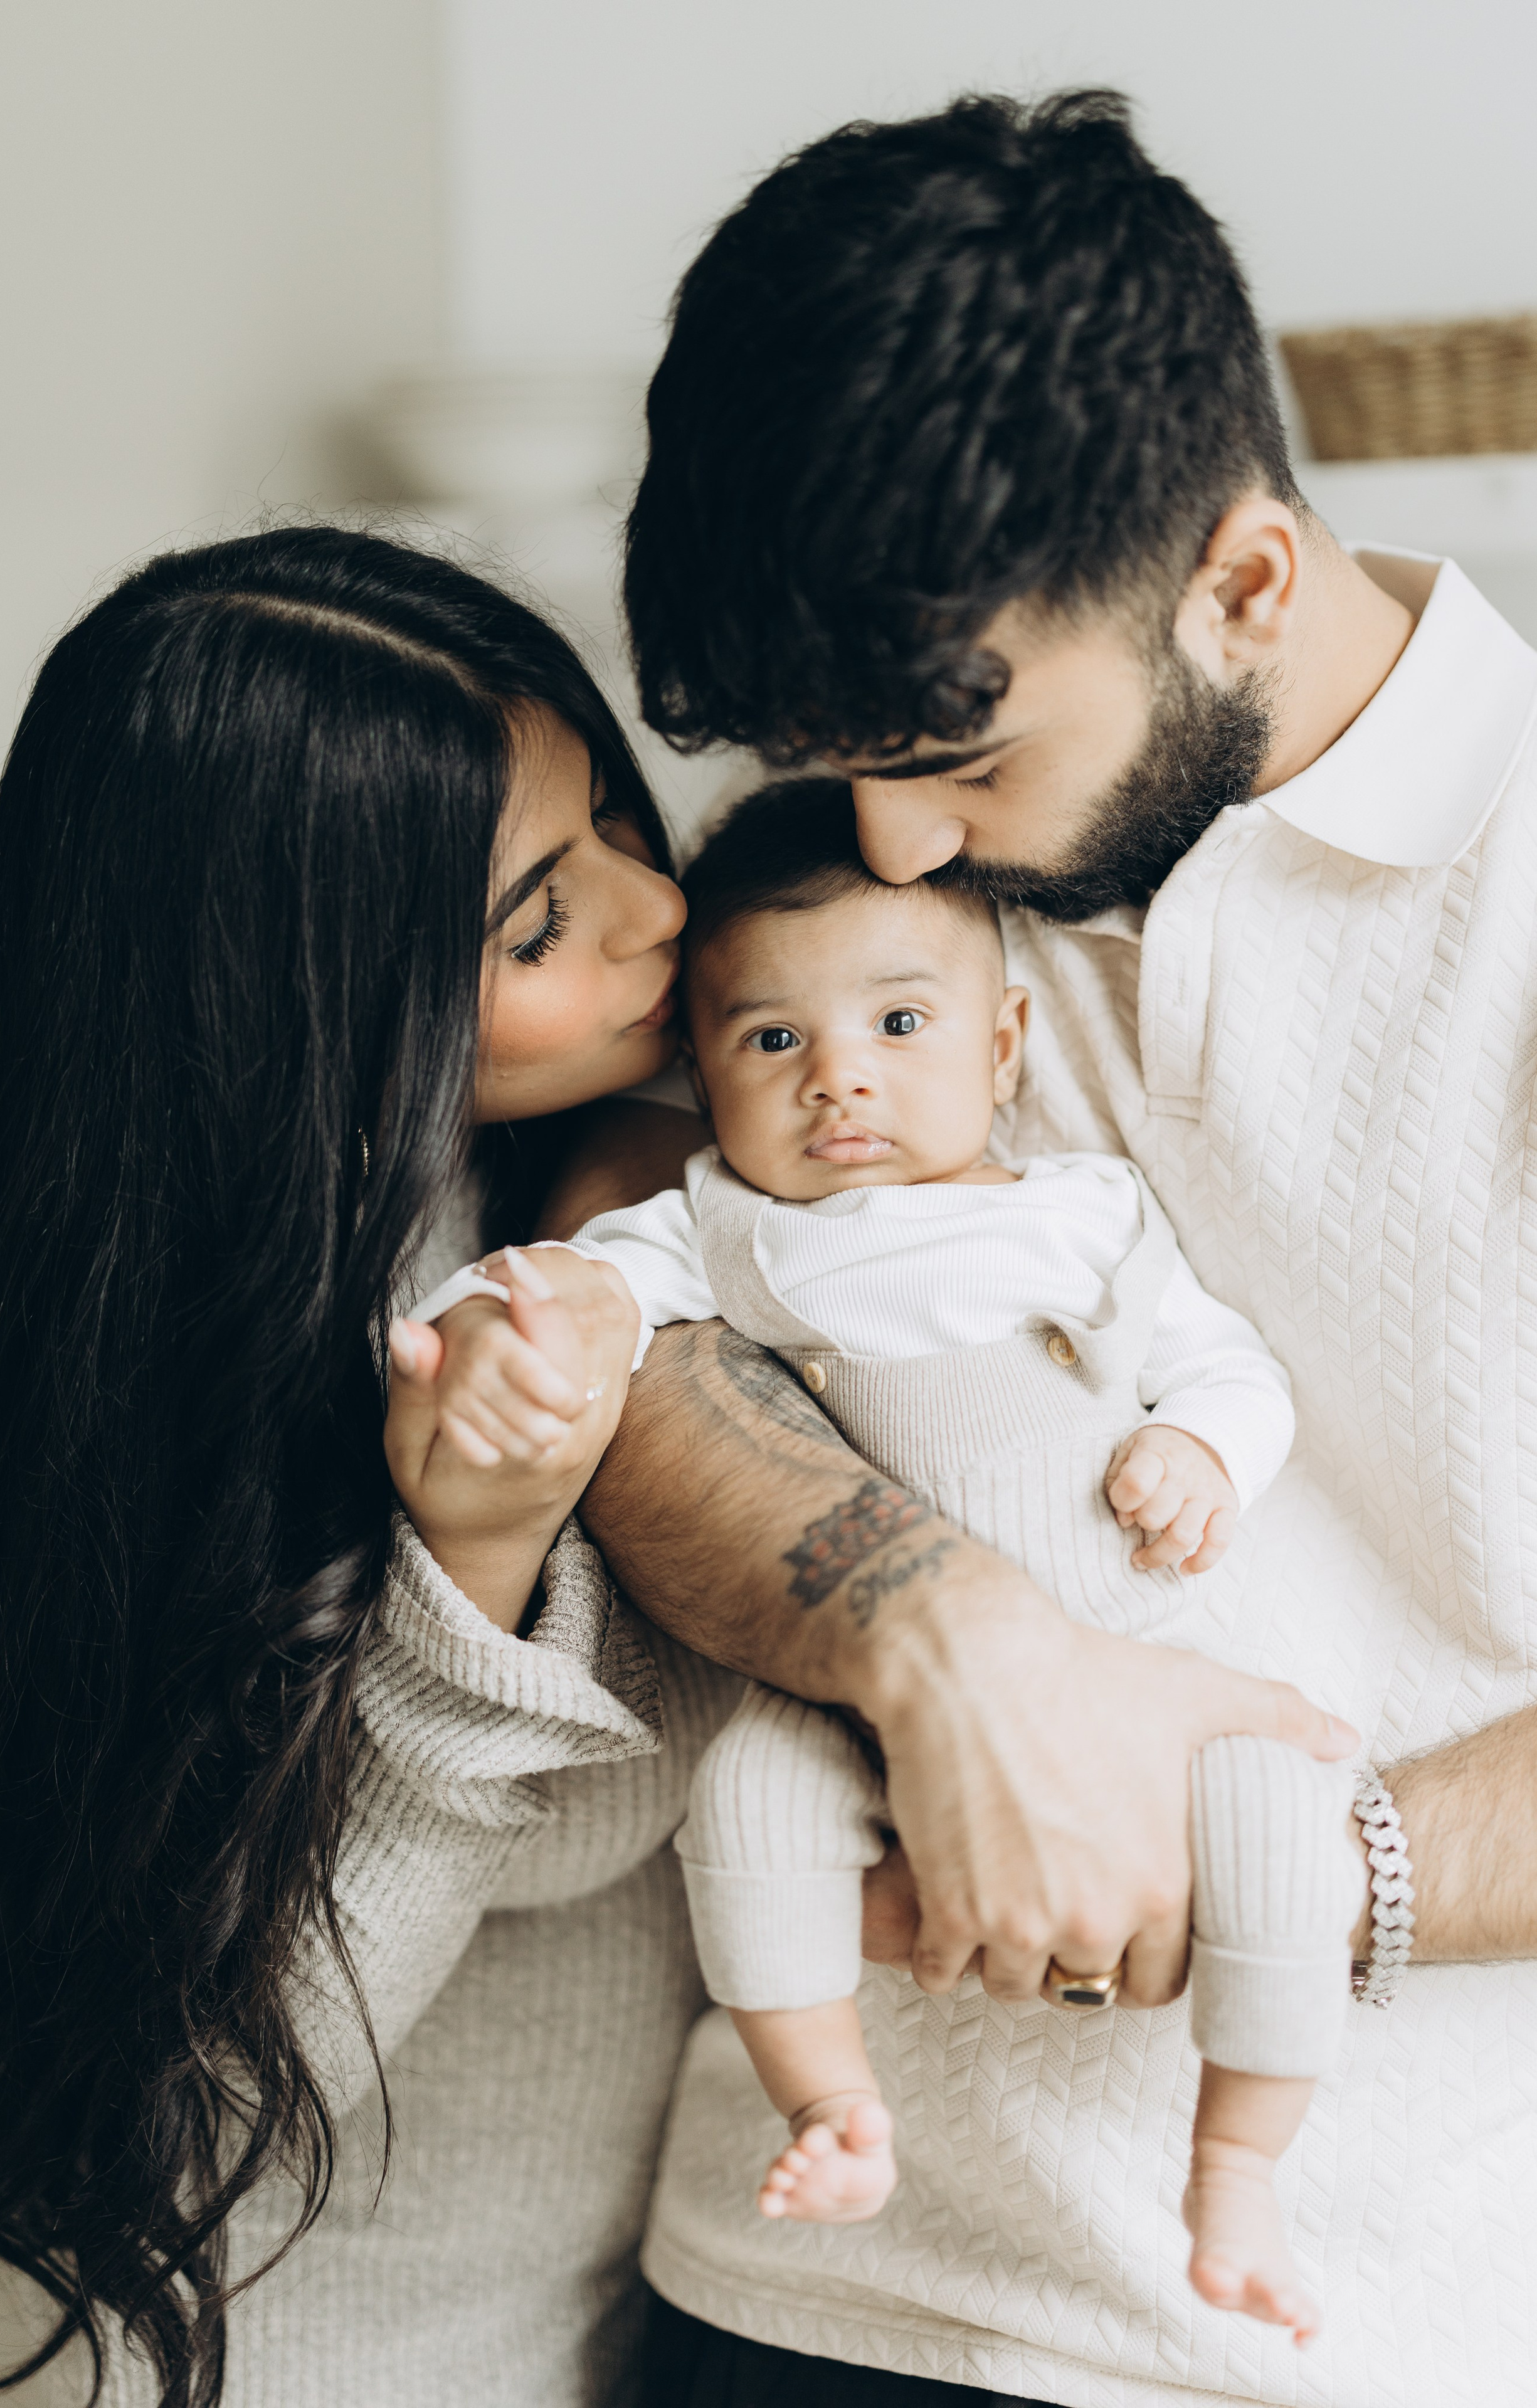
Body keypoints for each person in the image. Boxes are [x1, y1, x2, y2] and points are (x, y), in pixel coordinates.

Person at [526, 84, 1537, 2407]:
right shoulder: (899, 852)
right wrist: (953, 1647)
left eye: (964, 762)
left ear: (1245, 581)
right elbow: (609, 1228)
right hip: (783, 2293)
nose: (891, 840)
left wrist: (1309, 1871)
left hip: (1337, 2336)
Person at [0, 525, 739, 2408]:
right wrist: (469, 1576)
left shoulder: (574, 1170)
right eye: (537, 926)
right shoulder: (150, 1375)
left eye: (620, 815)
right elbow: (196, 2113)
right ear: (300, 1002)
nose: (651, 914)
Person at [552, 778, 1359, 2346]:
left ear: (1001, 1049)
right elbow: (585, 1293)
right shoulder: (727, 1228)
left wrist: (1199, 1450)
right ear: (702, 1076)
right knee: (743, 1800)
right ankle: (829, 2104)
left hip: (1145, 1668)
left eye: (899, 1027)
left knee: (1287, 1822)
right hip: (851, 1687)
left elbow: (1230, 1368)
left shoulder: (1084, 1216)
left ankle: (1238, 2163)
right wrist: (516, 1328)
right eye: (769, 1041)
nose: (837, 1081)